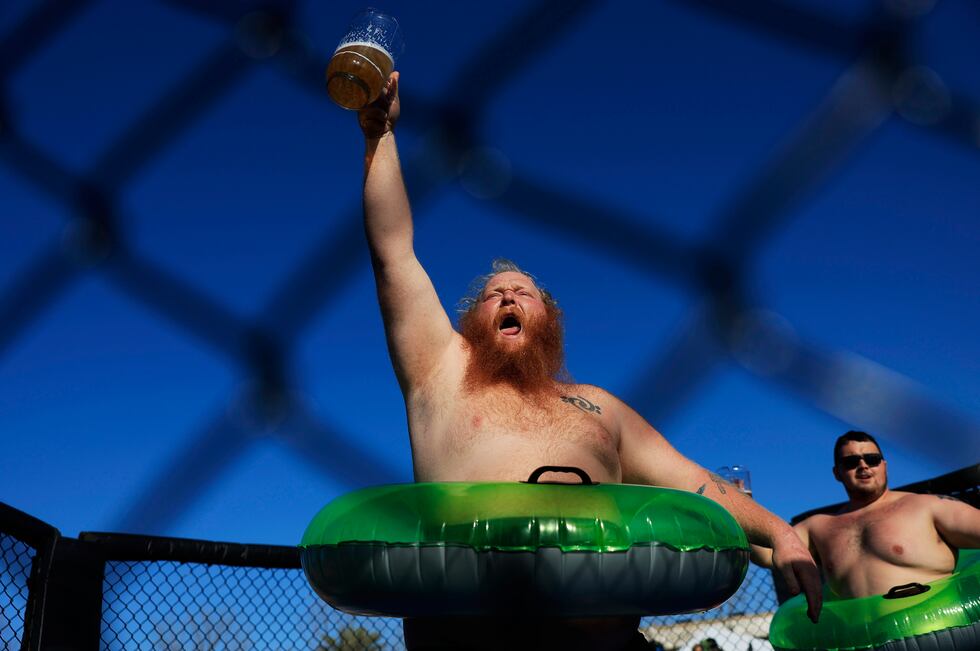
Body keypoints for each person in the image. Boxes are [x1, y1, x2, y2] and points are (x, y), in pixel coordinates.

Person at [355, 71, 821, 651]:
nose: (507, 297)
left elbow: (693, 481)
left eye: (523, 292)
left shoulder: (599, 406)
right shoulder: (441, 370)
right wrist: (381, 132)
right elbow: (393, 255)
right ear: (472, 323)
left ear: (548, 321)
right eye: (494, 294)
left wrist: (782, 535)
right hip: (471, 632)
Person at [753, 430, 980, 599]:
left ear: (884, 465)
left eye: (871, 459)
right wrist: (744, 502)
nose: (863, 465)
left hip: (936, 634)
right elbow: (766, 555)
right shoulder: (817, 527)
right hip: (864, 638)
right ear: (837, 473)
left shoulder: (928, 506)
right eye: (851, 462)